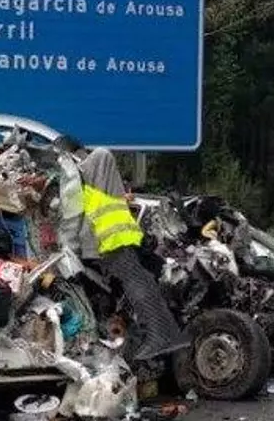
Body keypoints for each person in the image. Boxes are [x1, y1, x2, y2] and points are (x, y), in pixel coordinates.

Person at [72, 147, 190, 362]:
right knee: (140, 284)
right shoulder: (107, 185)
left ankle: (160, 337)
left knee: (137, 287)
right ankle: (166, 335)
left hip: (111, 242)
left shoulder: (95, 169)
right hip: (118, 239)